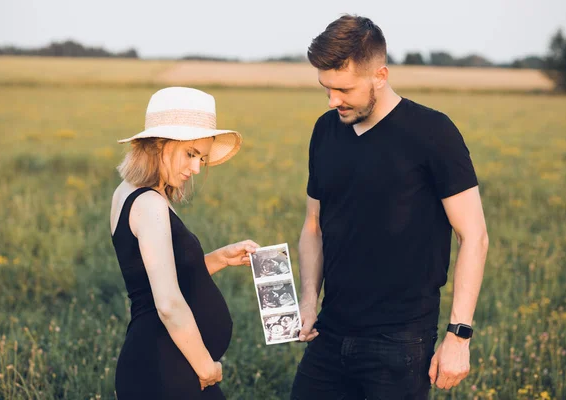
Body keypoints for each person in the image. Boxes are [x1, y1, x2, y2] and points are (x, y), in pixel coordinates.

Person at [291, 15, 489, 399]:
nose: (333, 101)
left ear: (379, 76)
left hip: (400, 341)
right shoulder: (325, 130)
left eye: (344, 89)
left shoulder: (433, 133)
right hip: (330, 332)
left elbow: (474, 236)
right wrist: (309, 301)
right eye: (325, 89)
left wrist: (459, 336)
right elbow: (313, 225)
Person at [110, 87, 259, 399]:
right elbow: (166, 303)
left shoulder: (135, 191)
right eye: (191, 154)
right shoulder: (149, 203)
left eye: (202, 158)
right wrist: (206, 367)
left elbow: (159, 273)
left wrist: (219, 258)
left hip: (169, 363)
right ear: (158, 144)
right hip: (165, 370)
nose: (196, 169)